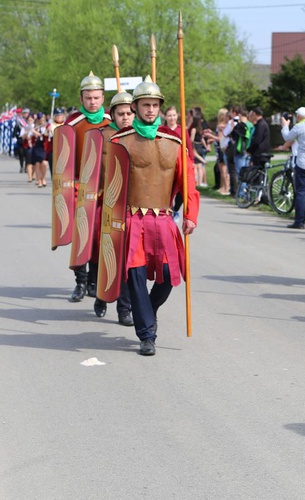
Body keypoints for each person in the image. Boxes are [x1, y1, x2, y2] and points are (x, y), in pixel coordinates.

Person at [110, 76, 200, 356]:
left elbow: (189, 184)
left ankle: (148, 309)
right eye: (145, 104)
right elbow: (109, 185)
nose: (150, 109)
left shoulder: (174, 142)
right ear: (135, 107)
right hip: (132, 219)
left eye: (155, 105)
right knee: (135, 276)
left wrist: (191, 215)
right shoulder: (120, 141)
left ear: (160, 107)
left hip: (163, 219)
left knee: (167, 275)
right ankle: (147, 334)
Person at [64, 71, 112, 303]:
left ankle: (93, 281)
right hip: (78, 188)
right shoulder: (72, 124)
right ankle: (80, 282)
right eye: (88, 98)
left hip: (104, 191)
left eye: (96, 97)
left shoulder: (112, 122)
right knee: (80, 235)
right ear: (81, 98)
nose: (92, 102)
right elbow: (61, 160)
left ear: (103, 97)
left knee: (98, 238)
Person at [96, 89, 136, 325]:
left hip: (132, 207)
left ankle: (125, 308)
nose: (125, 117)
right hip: (107, 205)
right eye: (120, 113)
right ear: (112, 114)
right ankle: (102, 295)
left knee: (128, 262)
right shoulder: (102, 136)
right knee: (107, 256)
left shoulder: (139, 138)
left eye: (129, 113)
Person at [279, 103, 305, 229]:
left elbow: (287, 137)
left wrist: (285, 126)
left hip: (303, 162)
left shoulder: (300, 126)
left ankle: (299, 221)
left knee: (301, 192)